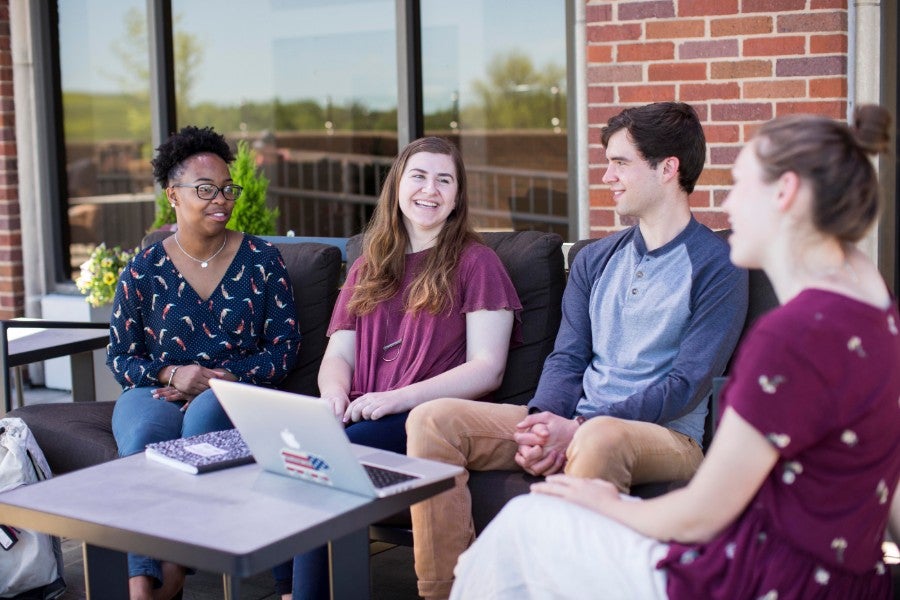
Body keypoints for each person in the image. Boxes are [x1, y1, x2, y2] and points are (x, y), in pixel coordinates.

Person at [449, 105, 900, 599]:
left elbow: (705, 511)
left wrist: (611, 504)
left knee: (524, 522)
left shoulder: (790, 339)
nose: (727, 205)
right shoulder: (879, 316)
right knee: (528, 522)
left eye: (739, 184)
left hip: (751, 579)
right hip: (851, 585)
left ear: (785, 192)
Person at [405, 101, 749, 599]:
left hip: (667, 437)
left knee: (602, 437)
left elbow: (686, 383)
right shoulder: (595, 259)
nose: (607, 175)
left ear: (668, 167)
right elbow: (567, 357)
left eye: (620, 162)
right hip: (580, 420)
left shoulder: (719, 265)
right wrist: (546, 419)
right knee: (433, 420)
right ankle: (445, 593)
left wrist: (581, 428)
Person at [286, 136, 521, 600]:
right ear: (397, 185)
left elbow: (487, 369)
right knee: (304, 445)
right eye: (418, 176)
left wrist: (396, 399)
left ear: (457, 196)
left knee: (328, 458)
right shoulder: (368, 265)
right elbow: (339, 355)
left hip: (425, 419)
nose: (429, 190)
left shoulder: (478, 263)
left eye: (443, 180)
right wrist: (334, 394)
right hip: (364, 411)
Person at [107, 125, 301, 600]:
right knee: (143, 439)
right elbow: (120, 355)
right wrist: (174, 374)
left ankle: (175, 562)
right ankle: (141, 584)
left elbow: (284, 348)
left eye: (226, 188)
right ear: (173, 195)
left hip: (232, 392)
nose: (222, 199)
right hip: (155, 390)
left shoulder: (262, 261)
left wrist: (218, 378)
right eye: (205, 189)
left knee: (207, 417)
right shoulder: (142, 270)